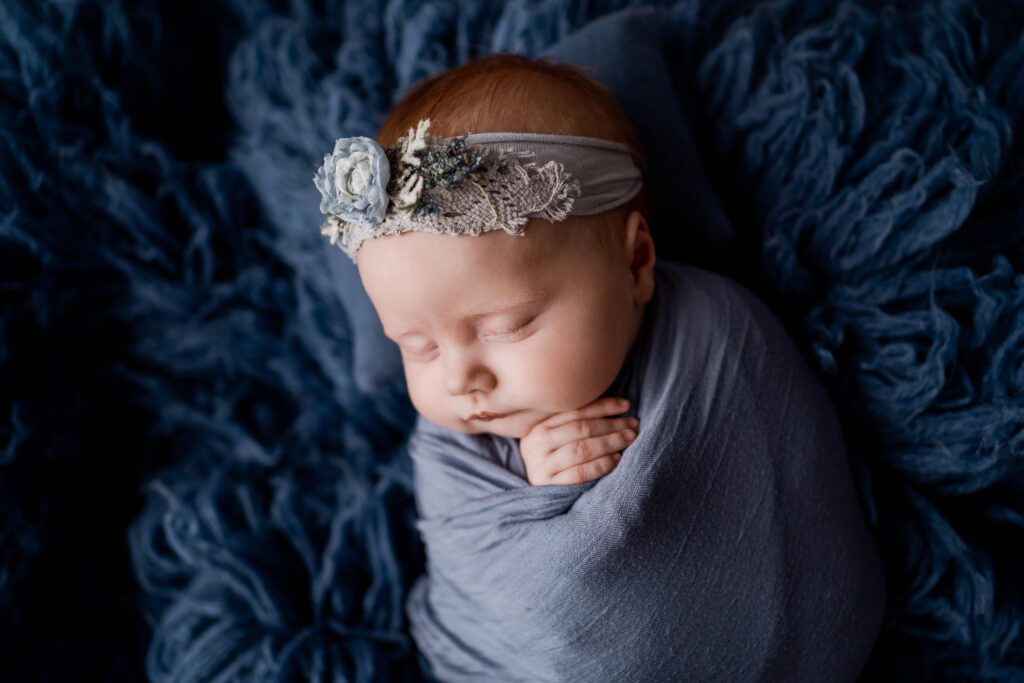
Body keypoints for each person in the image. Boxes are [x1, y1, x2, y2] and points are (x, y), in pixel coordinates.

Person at [314, 54, 885, 682]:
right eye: (415, 346)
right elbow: (481, 564)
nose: (459, 380)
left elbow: (783, 496)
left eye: (508, 327)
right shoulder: (453, 448)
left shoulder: (718, 334)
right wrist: (538, 487)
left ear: (636, 261)